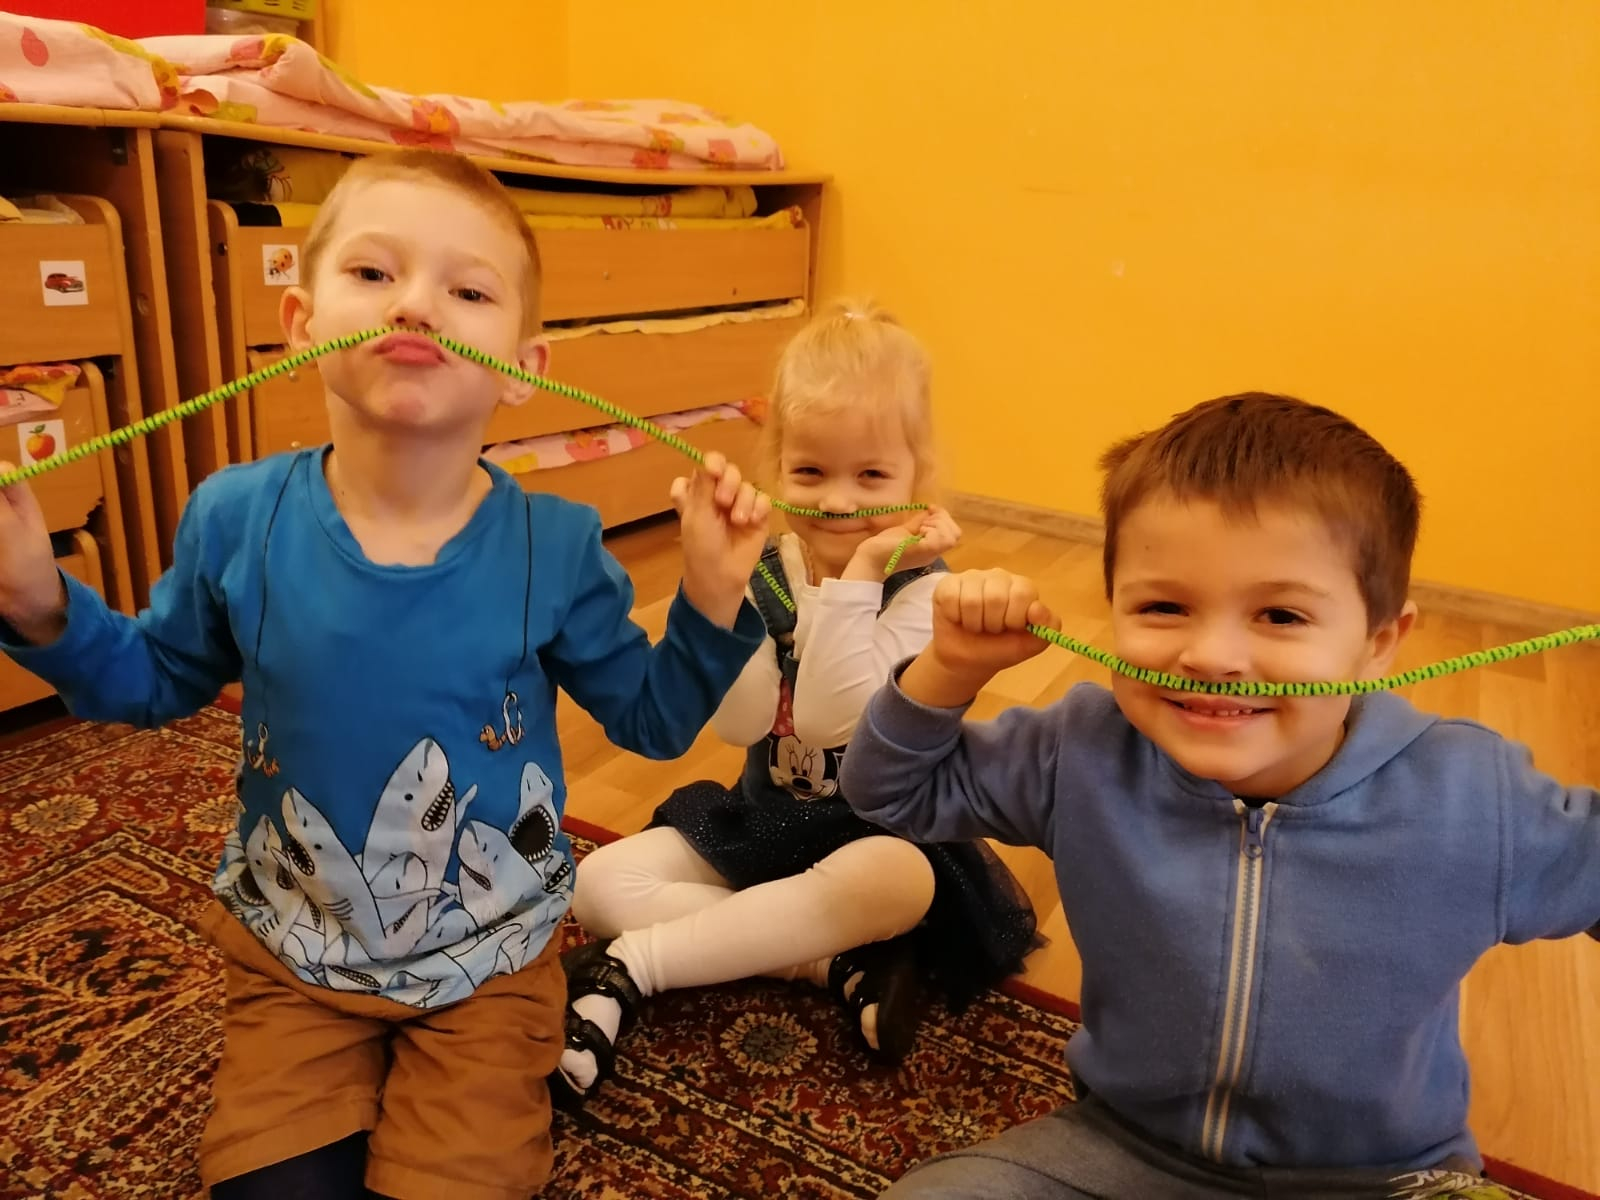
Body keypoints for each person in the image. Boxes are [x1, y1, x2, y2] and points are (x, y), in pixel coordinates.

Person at [0, 148, 772, 1200]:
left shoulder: (555, 546)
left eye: (467, 291)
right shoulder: (235, 516)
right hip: (292, 954)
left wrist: (713, 599)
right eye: (373, 273)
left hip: (491, 961)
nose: (414, 305)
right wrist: (38, 603)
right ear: (301, 321)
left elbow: (649, 720)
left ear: (522, 366)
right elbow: (153, 677)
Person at [839, 392, 1600, 1198]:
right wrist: (950, 669)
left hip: (1383, 1179)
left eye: (1280, 615)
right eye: (1164, 606)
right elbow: (889, 792)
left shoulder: (1473, 798)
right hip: (1123, 1146)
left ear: (1378, 644)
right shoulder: (1081, 749)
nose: (1211, 655)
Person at [556, 301, 1038, 1105]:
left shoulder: (927, 593)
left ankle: (636, 965)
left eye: (872, 477)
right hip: (767, 820)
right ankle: (827, 959)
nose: (840, 503)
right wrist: (724, 585)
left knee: (895, 882)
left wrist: (860, 576)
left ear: (918, 479)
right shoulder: (773, 569)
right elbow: (742, 723)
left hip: (879, 840)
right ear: (776, 467)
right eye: (811, 474)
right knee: (599, 885)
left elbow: (829, 719)